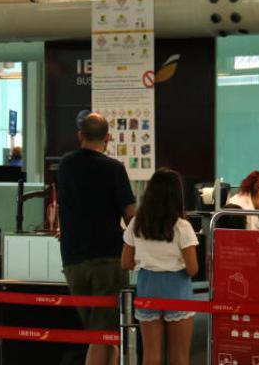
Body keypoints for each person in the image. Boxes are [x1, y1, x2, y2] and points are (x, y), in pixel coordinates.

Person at [57, 113, 136, 365]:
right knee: (102, 335)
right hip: (107, 259)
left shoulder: (65, 165)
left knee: (105, 333)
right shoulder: (113, 168)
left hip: (72, 259)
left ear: (80, 135)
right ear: (108, 138)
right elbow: (130, 215)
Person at [121, 168, 198, 365]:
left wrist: (143, 261)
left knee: (151, 354)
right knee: (178, 356)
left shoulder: (136, 223)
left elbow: (125, 263)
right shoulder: (182, 227)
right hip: (177, 289)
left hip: (147, 286)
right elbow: (192, 269)